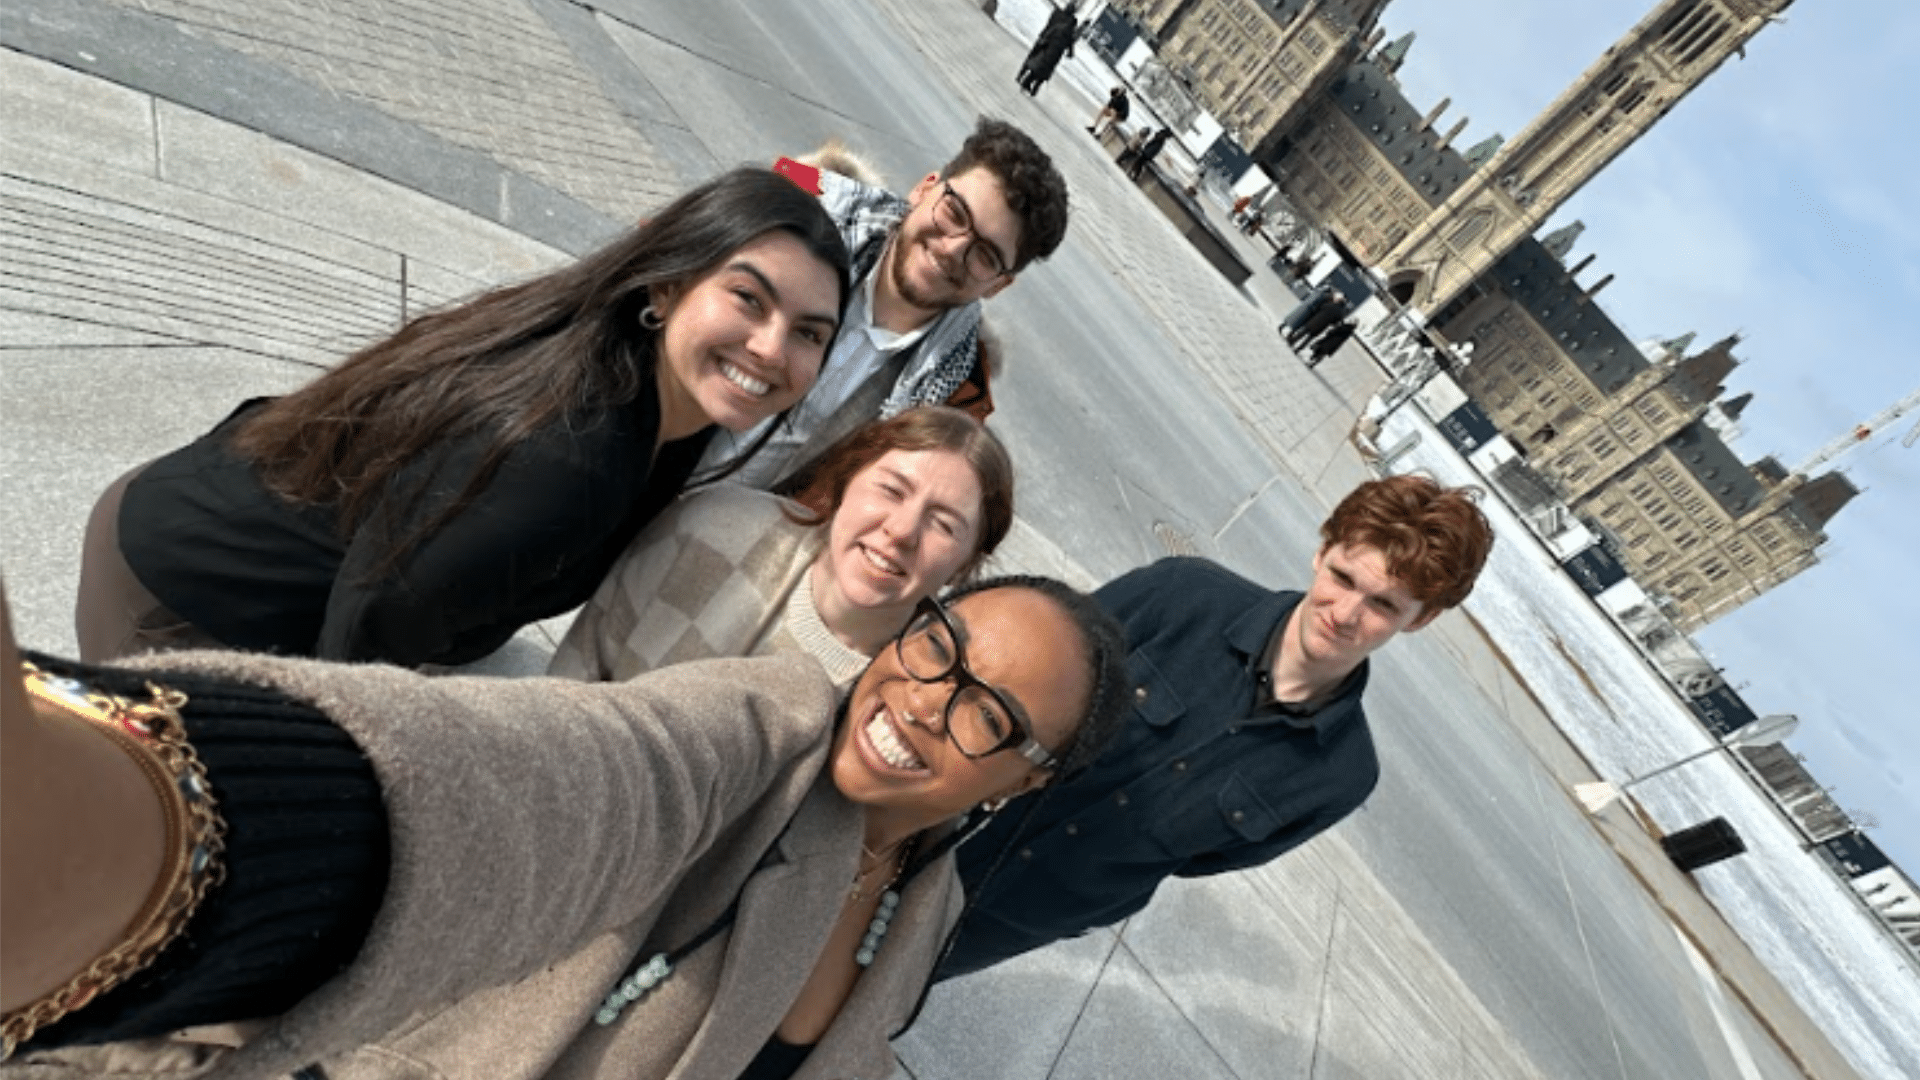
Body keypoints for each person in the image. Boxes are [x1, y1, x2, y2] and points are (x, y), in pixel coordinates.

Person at [0, 575, 1132, 1078]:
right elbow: (559, 780)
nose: (925, 700)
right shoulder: (760, 728)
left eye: (988, 713)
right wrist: (166, 814)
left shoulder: (924, 906)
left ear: (1021, 785)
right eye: (938, 645)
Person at [73, 168, 851, 670]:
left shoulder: (662, 402)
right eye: (748, 299)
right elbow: (362, 639)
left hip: (234, 530)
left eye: (810, 332)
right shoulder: (568, 459)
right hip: (182, 600)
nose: (771, 347)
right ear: (667, 288)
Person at [940, 475, 1495, 977]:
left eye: (1382, 605)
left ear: (1420, 619)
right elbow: (1028, 664)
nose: (1345, 614)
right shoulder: (1181, 594)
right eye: (1343, 577)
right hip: (942, 819)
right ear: (1322, 550)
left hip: (1026, 911)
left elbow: (1206, 861)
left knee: (882, 999)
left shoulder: (1343, 777)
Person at [703, 119, 1070, 491]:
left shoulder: (957, 401)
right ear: (924, 189)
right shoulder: (790, 206)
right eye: (955, 213)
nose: (951, 249)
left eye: (986, 255)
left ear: (999, 285)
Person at [550, 406, 1013, 686]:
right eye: (891, 490)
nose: (902, 530)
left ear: (966, 563)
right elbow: (579, 668)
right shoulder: (714, 526)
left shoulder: (915, 692)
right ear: (846, 481)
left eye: (944, 525)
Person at [1017, 2, 1079, 96]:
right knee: (1045, 68)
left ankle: (1022, 76)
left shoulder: (1057, 13)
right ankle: (1033, 86)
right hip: (1053, 47)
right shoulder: (1069, 25)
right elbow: (1070, 41)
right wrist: (1070, 52)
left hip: (1046, 40)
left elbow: (1051, 24)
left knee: (1034, 59)